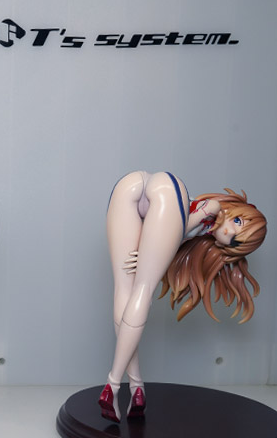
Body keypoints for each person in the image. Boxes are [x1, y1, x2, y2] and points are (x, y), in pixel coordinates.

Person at [100, 170, 266, 423]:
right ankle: (112, 384)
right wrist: (151, 247)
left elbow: (172, 233)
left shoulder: (205, 234)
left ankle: (136, 387)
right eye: (238, 222)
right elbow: (183, 224)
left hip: (131, 184)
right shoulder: (212, 209)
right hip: (166, 189)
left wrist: (153, 246)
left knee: (125, 290)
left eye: (234, 241)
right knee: (143, 291)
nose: (229, 232)